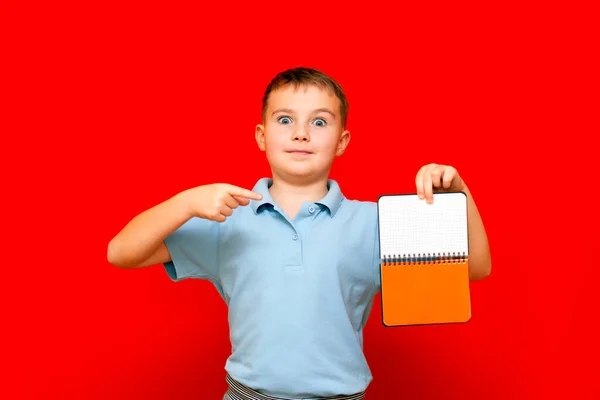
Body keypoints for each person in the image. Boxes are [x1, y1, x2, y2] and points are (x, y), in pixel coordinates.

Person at [107, 67, 492, 400]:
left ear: (341, 141)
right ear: (261, 136)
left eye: (320, 122)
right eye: (285, 120)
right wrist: (187, 201)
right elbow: (121, 252)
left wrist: (458, 192)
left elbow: (475, 268)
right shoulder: (227, 219)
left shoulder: (374, 222)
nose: (301, 134)